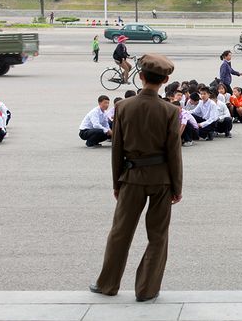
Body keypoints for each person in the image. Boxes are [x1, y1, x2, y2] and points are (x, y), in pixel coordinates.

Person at [90, 53, 181, 302]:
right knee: (158, 235)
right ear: (166, 80)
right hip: (161, 179)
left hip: (131, 177)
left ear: (140, 76)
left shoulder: (123, 107)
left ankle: (107, 284)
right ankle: (147, 289)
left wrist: (116, 182)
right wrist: (177, 186)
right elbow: (174, 152)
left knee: (120, 232)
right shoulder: (171, 111)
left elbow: (116, 148)